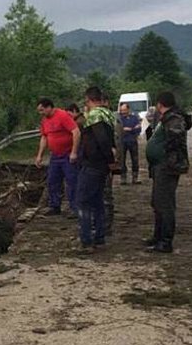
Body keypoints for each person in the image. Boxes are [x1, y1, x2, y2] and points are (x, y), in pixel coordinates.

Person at [144, 91, 189, 253]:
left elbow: (175, 140)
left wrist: (163, 151)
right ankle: (158, 236)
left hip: (167, 166)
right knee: (157, 202)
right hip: (160, 165)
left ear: (160, 104)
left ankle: (165, 240)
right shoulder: (166, 118)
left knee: (165, 204)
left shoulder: (174, 119)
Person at [76, 92, 115, 250]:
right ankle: (99, 238)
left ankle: (86, 241)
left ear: (89, 100)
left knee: (83, 202)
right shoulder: (108, 114)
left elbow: (101, 140)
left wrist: (109, 160)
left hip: (93, 163)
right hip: (102, 165)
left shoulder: (95, 116)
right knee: (98, 202)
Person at [35, 98, 81, 216]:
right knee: (52, 181)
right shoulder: (45, 120)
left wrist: (74, 152)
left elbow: (76, 132)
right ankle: (54, 206)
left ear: (49, 107)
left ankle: (75, 208)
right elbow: (44, 137)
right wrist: (39, 155)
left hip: (67, 154)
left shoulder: (63, 116)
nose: (41, 113)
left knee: (71, 181)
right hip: (55, 155)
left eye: (42, 110)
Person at [118, 103, 142, 185]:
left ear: (128, 110)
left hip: (132, 141)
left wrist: (129, 129)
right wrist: (130, 129)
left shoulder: (134, 118)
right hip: (122, 142)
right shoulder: (120, 119)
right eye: (121, 110)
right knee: (122, 160)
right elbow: (120, 130)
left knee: (135, 159)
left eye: (124, 110)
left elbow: (138, 129)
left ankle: (135, 177)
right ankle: (123, 177)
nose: (123, 112)